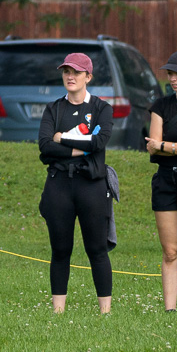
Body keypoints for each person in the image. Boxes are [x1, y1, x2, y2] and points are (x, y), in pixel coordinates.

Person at [39, 51, 114, 315]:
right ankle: (58, 312)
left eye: (77, 72)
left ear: (88, 77)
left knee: (97, 249)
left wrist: (63, 139)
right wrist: (79, 149)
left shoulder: (101, 108)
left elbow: (98, 143)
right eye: (66, 72)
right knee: (61, 250)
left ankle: (105, 312)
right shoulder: (54, 108)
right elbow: (44, 149)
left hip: (91, 186)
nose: (70, 77)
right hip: (59, 185)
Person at [146, 49, 177, 311]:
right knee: (170, 251)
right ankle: (170, 310)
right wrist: (174, 147)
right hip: (165, 180)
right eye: (170, 73)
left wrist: (166, 146)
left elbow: (161, 144)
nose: (173, 78)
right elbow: (152, 146)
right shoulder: (161, 105)